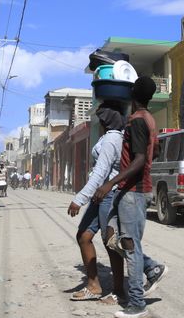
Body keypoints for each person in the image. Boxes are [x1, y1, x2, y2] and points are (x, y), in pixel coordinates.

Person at [94, 76, 168, 318]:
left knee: (129, 245)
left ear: (132, 94)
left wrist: (110, 183)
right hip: (131, 190)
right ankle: (152, 267)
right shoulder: (149, 119)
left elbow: (138, 159)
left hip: (132, 192)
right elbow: (154, 150)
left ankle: (137, 303)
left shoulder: (136, 121)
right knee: (111, 237)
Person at [67, 103, 126, 303]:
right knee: (84, 236)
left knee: (110, 243)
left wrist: (79, 199)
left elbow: (101, 173)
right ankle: (93, 285)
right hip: (98, 196)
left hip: (107, 195)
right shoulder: (109, 137)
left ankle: (119, 291)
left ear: (105, 122)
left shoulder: (111, 139)